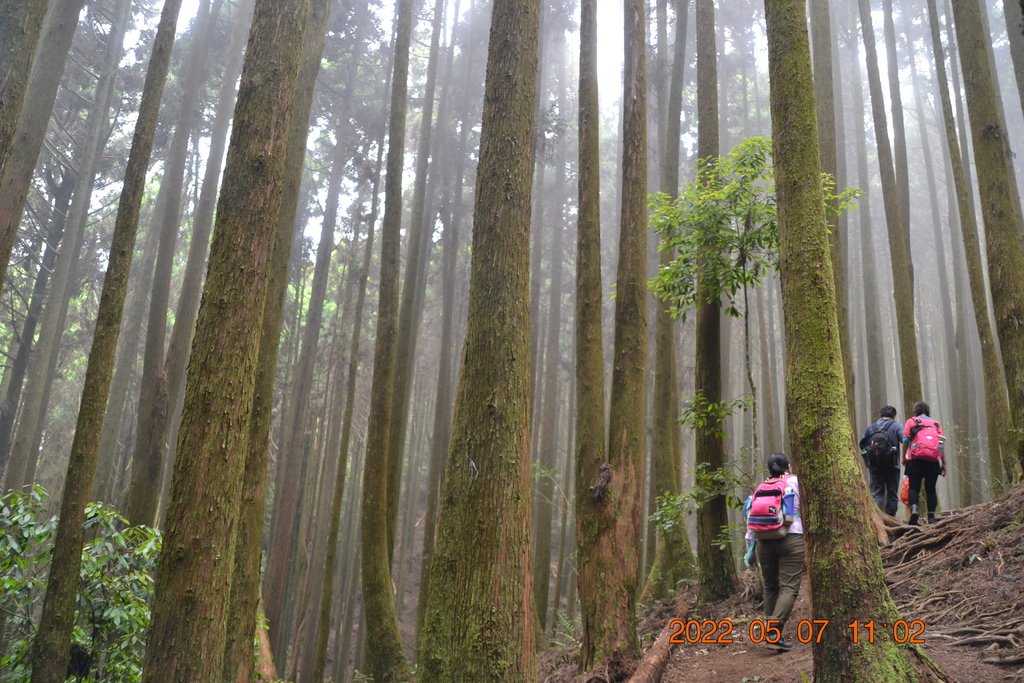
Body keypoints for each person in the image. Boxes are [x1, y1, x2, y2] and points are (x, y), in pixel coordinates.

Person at [747, 453, 804, 653]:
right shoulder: (795, 482)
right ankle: (773, 632)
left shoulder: (761, 487)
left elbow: (750, 515)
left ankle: (772, 635)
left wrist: (749, 548)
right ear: (788, 465)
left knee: (770, 587)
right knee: (789, 587)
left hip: (763, 541)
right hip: (792, 538)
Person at [902, 401, 946, 525]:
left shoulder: (911, 421)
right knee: (931, 489)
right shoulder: (936, 424)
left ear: (915, 411)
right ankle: (931, 516)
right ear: (927, 411)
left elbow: (905, 440)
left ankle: (915, 509)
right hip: (932, 460)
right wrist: (943, 462)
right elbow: (940, 445)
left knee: (914, 488)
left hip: (915, 459)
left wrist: (904, 457)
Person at [859, 406, 902, 516]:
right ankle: (890, 519)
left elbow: (862, 445)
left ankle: (877, 518)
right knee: (892, 493)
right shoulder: (896, 426)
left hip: (874, 466)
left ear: (881, 414)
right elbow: (904, 439)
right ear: (894, 415)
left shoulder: (871, 428)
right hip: (892, 465)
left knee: (876, 493)